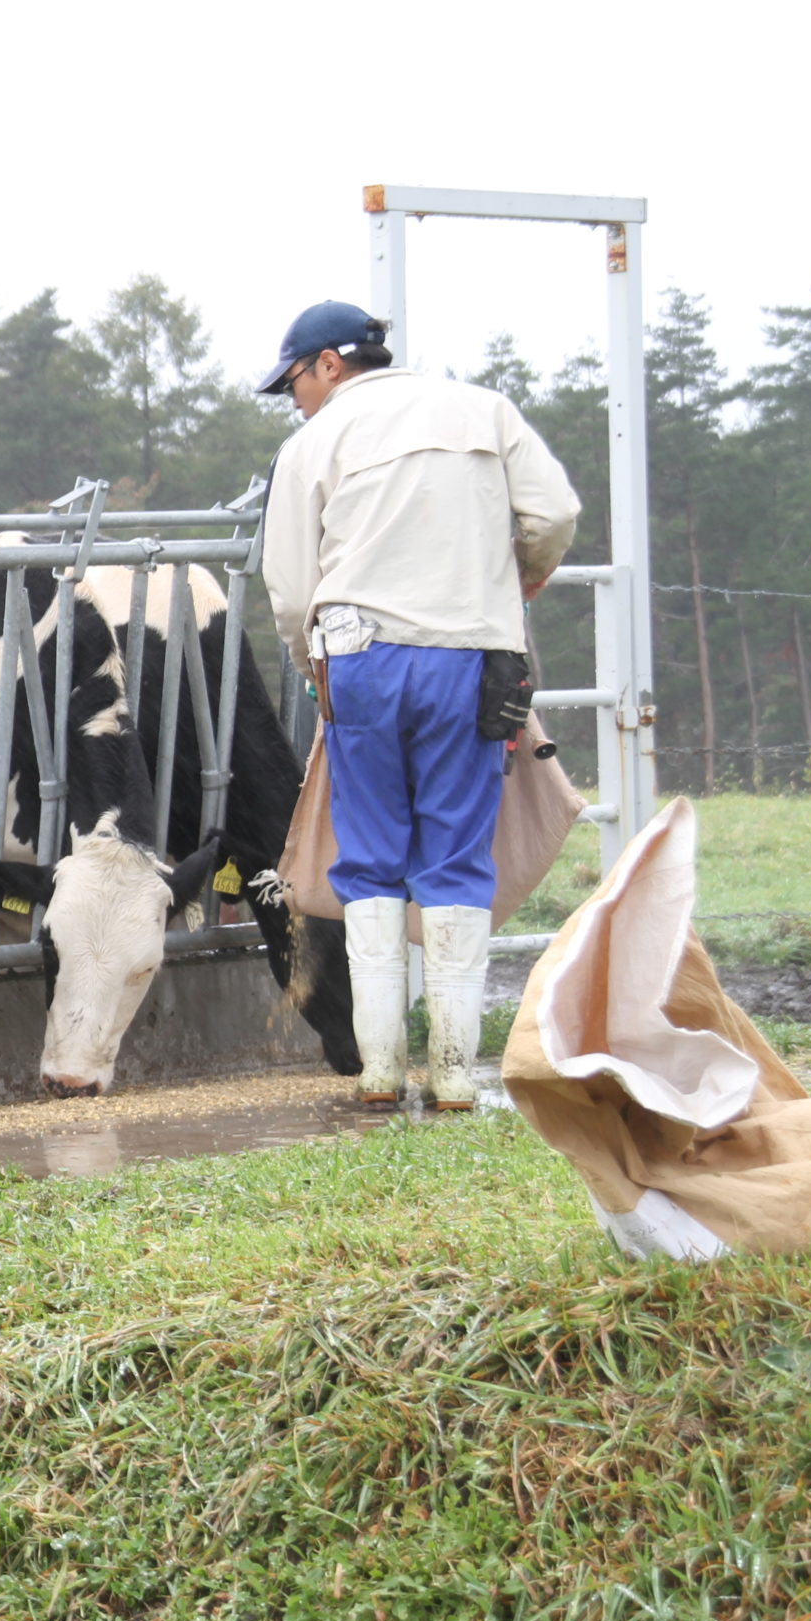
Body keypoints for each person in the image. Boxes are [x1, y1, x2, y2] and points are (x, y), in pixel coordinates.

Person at [259, 300, 581, 1109]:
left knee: (367, 854)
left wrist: (314, 665)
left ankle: (377, 1069)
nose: (294, 397)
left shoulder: (313, 443)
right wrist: (521, 577)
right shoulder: (485, 410)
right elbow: (556, 514)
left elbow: (292, 586)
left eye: (294, 379)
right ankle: (455, 1073)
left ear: (329, 364)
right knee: (455, 853)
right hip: (471, 659)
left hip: (360, 658)